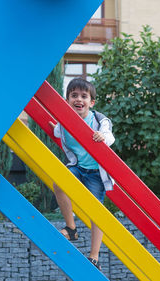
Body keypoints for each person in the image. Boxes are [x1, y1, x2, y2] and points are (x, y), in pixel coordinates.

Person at [49, 78, 114, 270]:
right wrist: (54, 128)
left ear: (91, 102)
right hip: (78, 167)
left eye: (84, 96)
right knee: (59, 184)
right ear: (67, 100)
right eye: (74, 95)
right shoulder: (64, 122)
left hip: (95, 172)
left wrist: (103, 137)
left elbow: (110, 135)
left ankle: (94, 257)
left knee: (96, 211)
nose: (79, 99)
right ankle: (71, 228)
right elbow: (59, 133)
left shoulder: (98, 119)